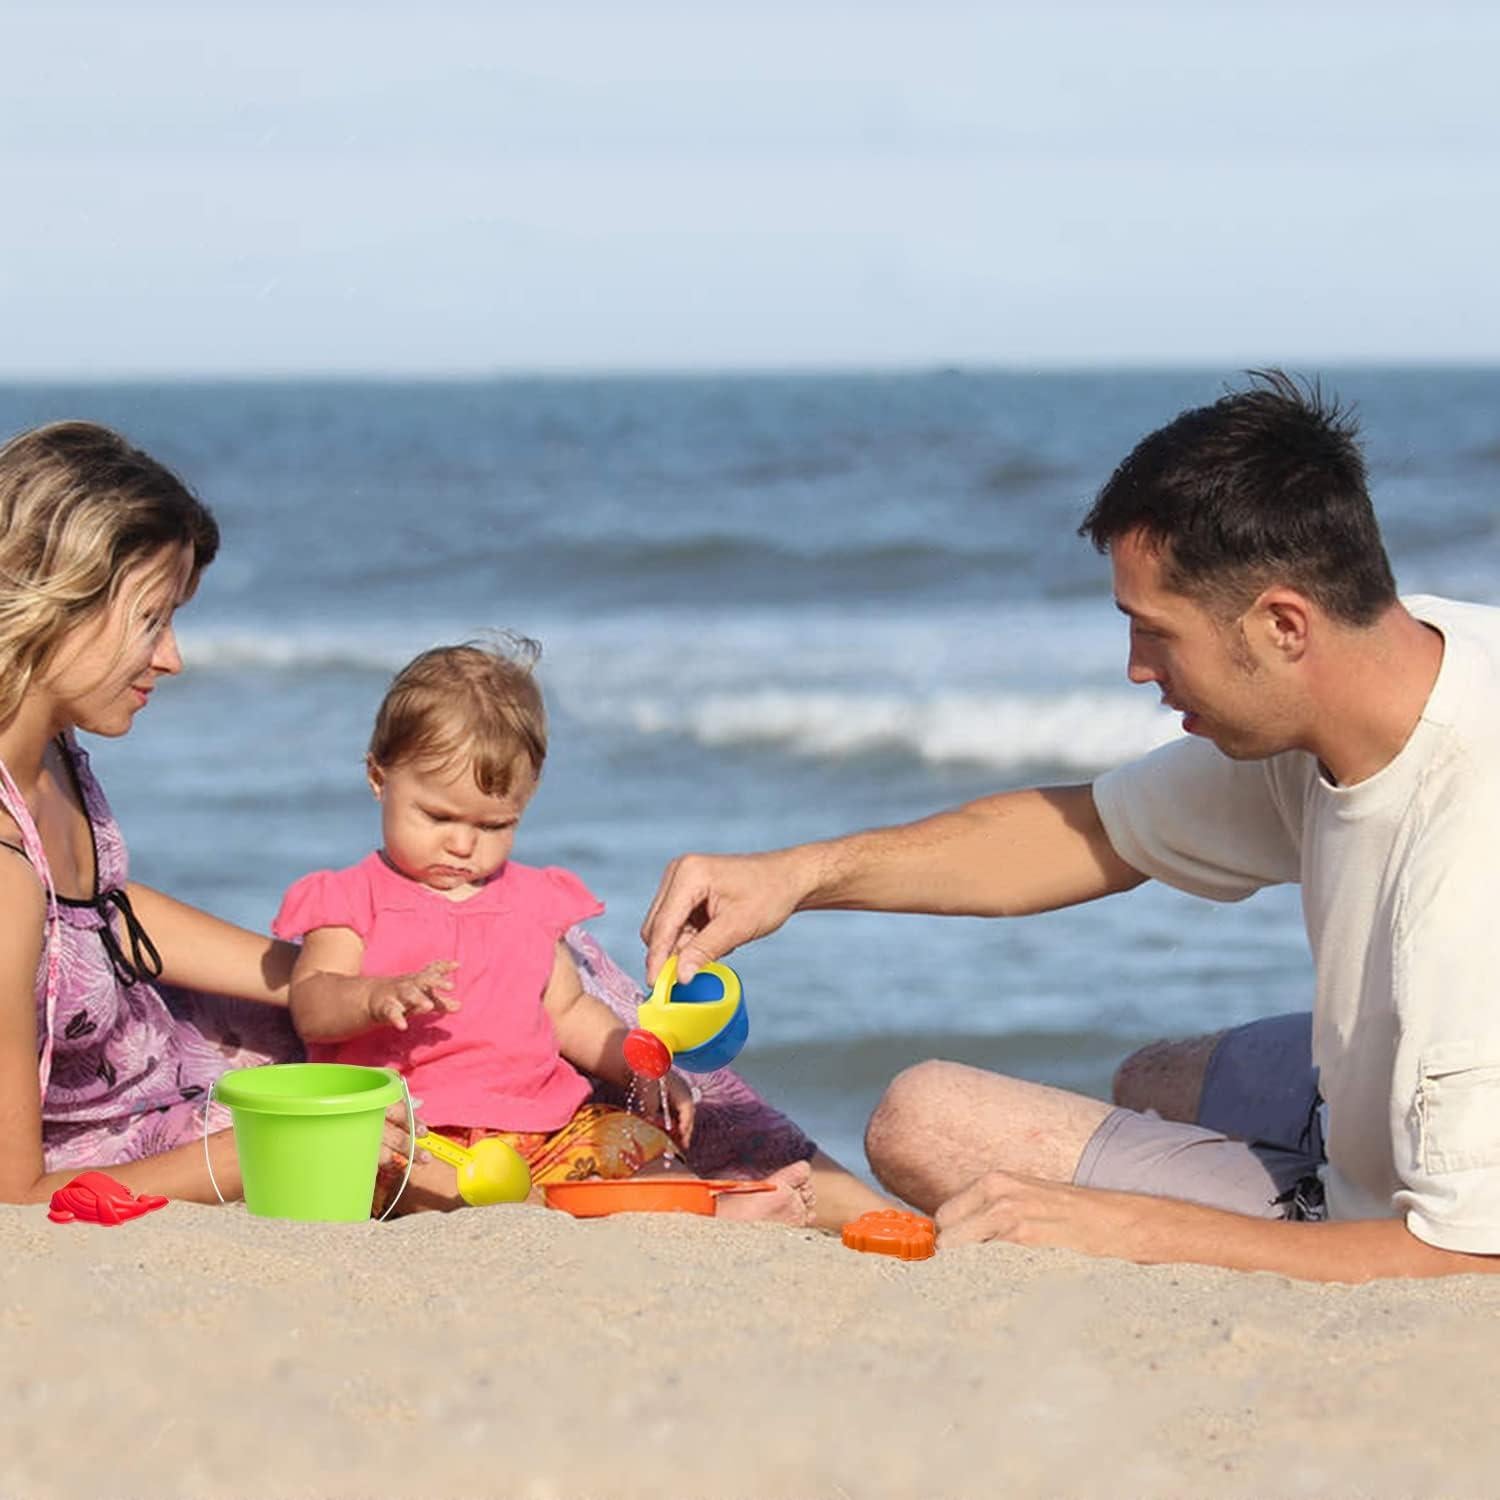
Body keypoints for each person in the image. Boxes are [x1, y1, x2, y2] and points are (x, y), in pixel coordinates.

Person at [640, 371, 1500, 1282]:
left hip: (1440, 1207)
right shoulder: (1394, 660)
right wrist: (798, 875)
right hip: (1385, 1075)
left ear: (1284, 624)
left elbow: (1475, 1262)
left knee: (925, 1121)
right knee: (1155, 1080)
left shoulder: (1463, 889)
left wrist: (1123, 1229)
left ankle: (1318, 1212)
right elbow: (1086, 833)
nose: (1135, 668)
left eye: (1153, 631)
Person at [273, 639, 824, 1222]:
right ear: (378, 778)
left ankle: (703, 1211)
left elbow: (567, 1012)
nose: (462, 844)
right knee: (413, 1178)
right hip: (421, 1133)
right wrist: (373, 995)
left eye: (494, 824)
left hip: (545, 1124)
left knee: (634, 1145)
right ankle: (580, 1215)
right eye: (437, 817)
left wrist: (638, 1066)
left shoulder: (532, 901)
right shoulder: (350, 898)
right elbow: (312, 1002)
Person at [0, 420, 353, 1205]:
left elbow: (100, 916)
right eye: (151, 619)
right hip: (118, 1138)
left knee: (432, 987)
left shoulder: (50, 749)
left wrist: (307, 975)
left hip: (157, 1044)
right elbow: (13, 1196)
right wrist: (246, 1158)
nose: (172, 657)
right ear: (55, 595)